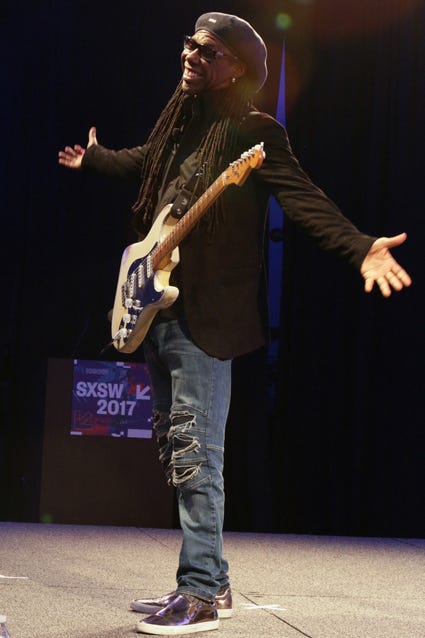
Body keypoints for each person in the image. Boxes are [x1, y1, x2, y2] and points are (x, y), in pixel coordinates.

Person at [58, 12, 412, 636]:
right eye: (191, 44)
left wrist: (360, 247)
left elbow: (302, 197)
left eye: (209, 50)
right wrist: (96, 159)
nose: (191, 54)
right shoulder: (180, 124)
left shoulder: (254, 132)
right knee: (177, 450)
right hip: (157, 310)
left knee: (198, 453)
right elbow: (142, 162)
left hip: (207, 318)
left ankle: (197, 593)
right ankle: (215, 581)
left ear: (236, 68)